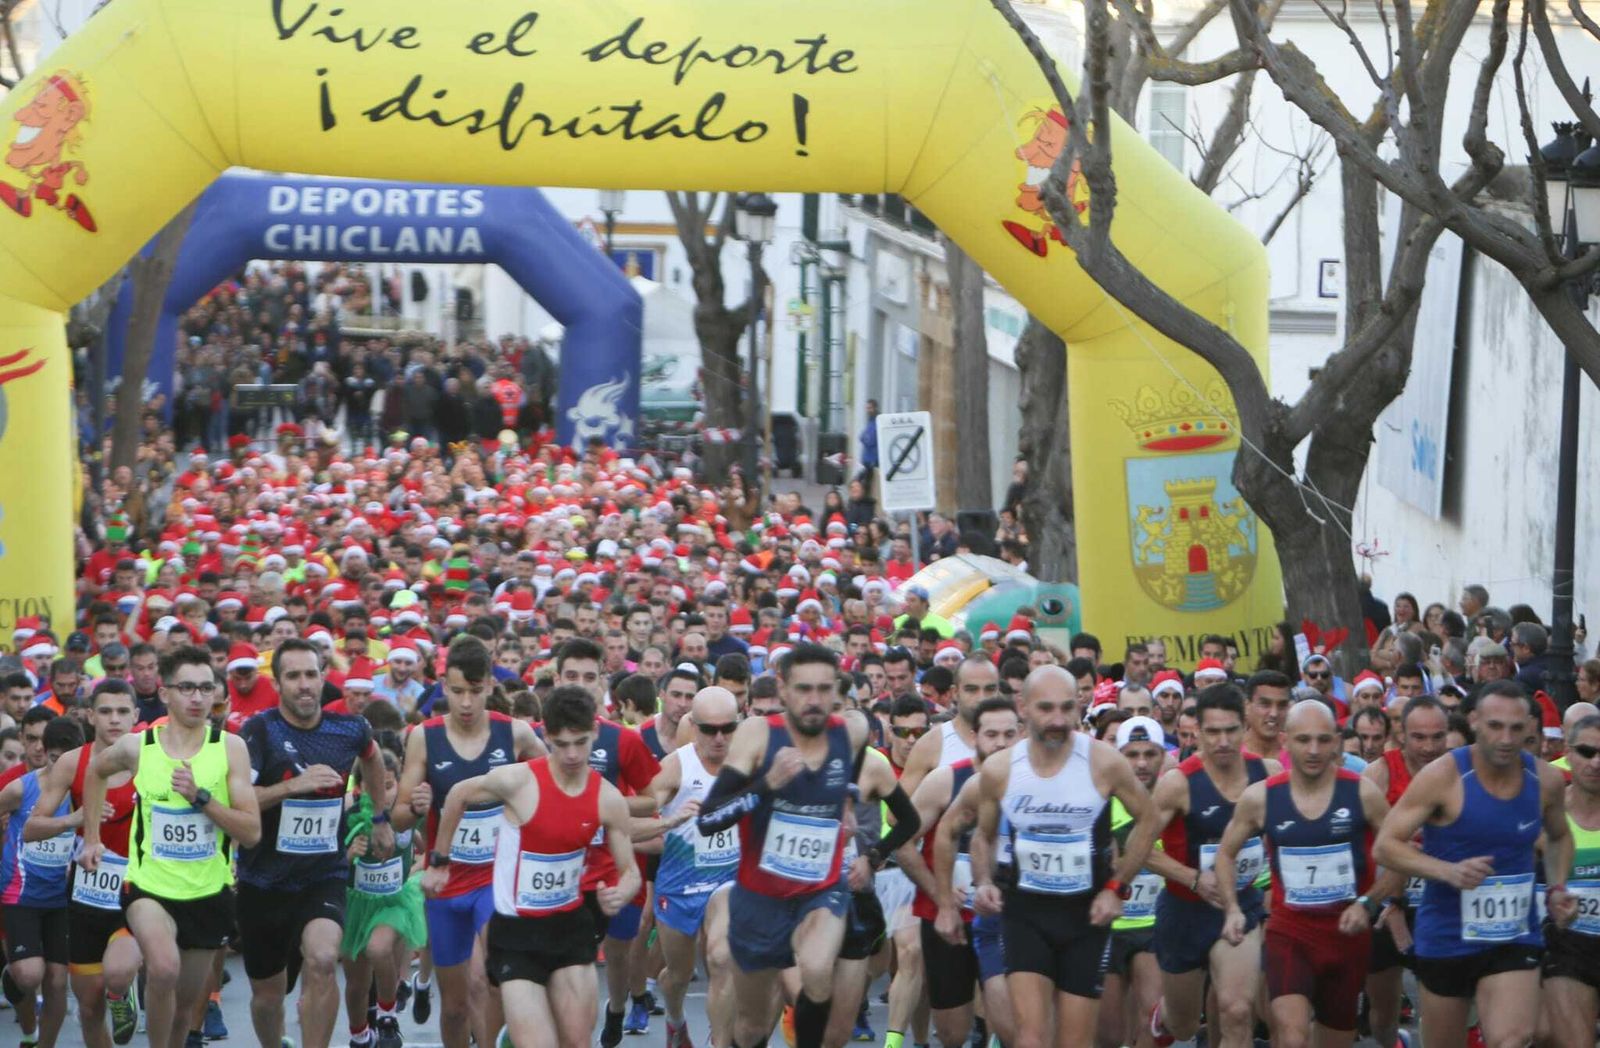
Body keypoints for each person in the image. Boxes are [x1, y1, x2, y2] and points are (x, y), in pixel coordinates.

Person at [695, 643, 914, 1048]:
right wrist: (766, 785)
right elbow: (708, 820)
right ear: (783, 690)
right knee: (752, 1025)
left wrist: (846, 806)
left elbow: (852, 771)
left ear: (836, 692)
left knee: (816, 973)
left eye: (823, 689)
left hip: (821, 890)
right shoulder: (759, 735)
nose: (814, 700)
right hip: (761, 898)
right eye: (803, 689)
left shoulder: (850, 732)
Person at [423, 685, 641, 1048]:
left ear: (596, 733)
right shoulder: (519, 780)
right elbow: (459, 793)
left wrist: (622, 893)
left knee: (577, 1042)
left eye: (581, 742)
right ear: (546, 737)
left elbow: (630, 870)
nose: (571, 754)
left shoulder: (608, 798)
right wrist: (440, 861)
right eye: (561, 744)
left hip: (570, 929)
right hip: (516, 936)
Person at [1374, 681, 1576, 1048]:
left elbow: (1560, 837)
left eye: (1516, 729)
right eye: (1495, 726)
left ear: (1531, 728)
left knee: (1513, 1039)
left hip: (1513, 933)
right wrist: (1447, 871)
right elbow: (1385, 846)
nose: (1506, 738)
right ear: (1475, 722)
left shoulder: (1544, 781)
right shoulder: (1443, 776)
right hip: (1447, 935)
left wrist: (1559, 887)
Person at [968, 665, 1162, 1048]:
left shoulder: (1103, 761)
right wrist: (985, 882)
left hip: (1085, 917)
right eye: (1046, 709)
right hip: (1025, 913)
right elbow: (982, 835)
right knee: (1031, 1039)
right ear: (1022, 707)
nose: (1058, 720)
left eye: (1066, 708)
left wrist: (1115, 888)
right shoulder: (1002, 769)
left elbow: (1149, 820)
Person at [79, 645, 262, 1048]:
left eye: (205, 688)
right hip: (150, 889)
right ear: (165, 693)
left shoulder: (229, 748)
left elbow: (251, 833)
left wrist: (202, 799)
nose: (197, 697)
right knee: (163, 968)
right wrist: (91, 836)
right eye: (186, 688)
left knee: (185, 1007)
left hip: (208, 893)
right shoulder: (137, 747)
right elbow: (94, 772)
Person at [235, 636, 395, 1048]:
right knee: (268, 997)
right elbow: (238, 801)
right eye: (294, 676)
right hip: (263, 879)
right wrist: (293, 787)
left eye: (311, 674)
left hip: (323, 873)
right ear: (278, 682)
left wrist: (379, 817)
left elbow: (374, 759)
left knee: (324, 960)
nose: (304, 685)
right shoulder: (259, 730)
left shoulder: (350, 728)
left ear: (324, 678)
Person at [1213, 701, 1400, 1047]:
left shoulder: (1362, 793)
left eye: (1322, 740)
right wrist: (1232, 907)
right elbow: (1225, 854)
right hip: (1290, 933)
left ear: (1336, 742)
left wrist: (1368, 903)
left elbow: (1399, 857)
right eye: (1303, 740)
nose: (1313, 750)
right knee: (1291, 1034)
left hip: (1347, 936)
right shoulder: (1261, 798)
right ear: (1285, 741)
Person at [390, 635, 545, 1048]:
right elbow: (400, 815)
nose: (466, 703)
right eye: (457, 691)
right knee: (456, 1005)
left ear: (491, 687)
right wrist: (416, 806)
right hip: (446, 882)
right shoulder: (425, 736)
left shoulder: (515, 733)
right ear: (443, 687)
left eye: (476, 692)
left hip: (496, 879)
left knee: (488, 981)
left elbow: (554, 788)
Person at [1146, 684, 1281, 1048]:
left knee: (1237, 1012)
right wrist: (1192, 879)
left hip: (1238, 905)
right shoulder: (1177, 783)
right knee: (1185, 1026)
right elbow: (1138, 848)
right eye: (1212, 732)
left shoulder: (1267, 772)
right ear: (1199, 732)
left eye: (1231, 730)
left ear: (1245, 727)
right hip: (1184, 911)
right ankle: (1165, 1017)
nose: (1222, 741)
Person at [22, 680, 142, 1048]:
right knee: (89, 1008)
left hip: (139, 888)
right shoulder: (73, 763)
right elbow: (31, 828)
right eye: (105, 711)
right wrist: (72, 821)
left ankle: (123, 993)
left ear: (136, 716)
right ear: (90, 716)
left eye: (123, 711)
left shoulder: (154, 758)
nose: (114, 720)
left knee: (118, 974)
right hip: (87, 890)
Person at [899, 696, 1020, 1048]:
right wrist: (940, 896)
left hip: (1012, 920)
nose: (1000, 743)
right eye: (992, 734)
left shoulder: (1033, 782)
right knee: (952, 1033)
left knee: (1015, 1026)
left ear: (1021, 734)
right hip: (949, 919)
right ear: (974, 735)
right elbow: (903, 843)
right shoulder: (946, 780)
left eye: (1009, 734)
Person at [636, 686, 742, 1048]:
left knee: (721, 958)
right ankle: (676, 1020)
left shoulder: (749, 763)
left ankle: (720, 1040)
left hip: (727, 883)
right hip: (679, 887)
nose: (718, 738)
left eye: (727, 728)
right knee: (678, 975)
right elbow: (630, 823)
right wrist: (668, 823)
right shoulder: (675, 767)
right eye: (709, 729)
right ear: (693, 726)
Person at [1360, 695, 1451, 1048]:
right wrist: (1387, 903)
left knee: (1440, 1006)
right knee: (1383, 1013)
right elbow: (1366, 850)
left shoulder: (1458, 772)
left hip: (1441, 905)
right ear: (1402, 735)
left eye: (1437, 737)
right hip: (1384, 907)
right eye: (1419, 737)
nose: (1429, 747)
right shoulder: (1379, 774)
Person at [0, 715, 83, 1048]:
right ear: (44, 753)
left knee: (56, 980)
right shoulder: (22, 787)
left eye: (69, 760)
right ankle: (27, 1026)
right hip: (20, 893)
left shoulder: (84, 790)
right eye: (54, 759)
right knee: (29, 975)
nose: (62, 768)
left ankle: (43, 1045)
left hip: (61, 898)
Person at [341, 748, 428, 1048]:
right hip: (356, 904)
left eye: (389, 786)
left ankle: (388, 1017)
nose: (383, 794)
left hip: (393, 902)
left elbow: (433, 840)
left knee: (379, 950)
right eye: (374, 787)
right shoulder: (349, 818)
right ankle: (360, 1034)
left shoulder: (405, 817)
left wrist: (424, 862)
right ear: (359, 788)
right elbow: (326, 864)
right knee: (357, 983)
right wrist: (347, 855)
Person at [1097, 716, 1171, 1048]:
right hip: (1109, 927)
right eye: (1132, 754)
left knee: (1153, 1021)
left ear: (1163, 755)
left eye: (1150, 754)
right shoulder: (1101, 802)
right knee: (1108, 1036)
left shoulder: (1175, 801)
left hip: (1154, 926)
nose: (1142, 763)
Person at [1538, 713, 1600, 1048]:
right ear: (1568, 754)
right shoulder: (1548, 815)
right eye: (1587, 752)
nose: (1596, 762)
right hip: (1570, 947)